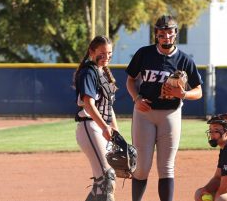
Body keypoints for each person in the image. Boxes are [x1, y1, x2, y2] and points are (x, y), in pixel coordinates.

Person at [126, 15, 203, 201]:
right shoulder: (144, 53)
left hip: (170, 114)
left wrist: (183, 94)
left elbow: (199, 91)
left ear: (175, 34)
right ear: (156, 35)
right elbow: (130, 80)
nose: (166, 36)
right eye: (162, 33)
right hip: (144, 113)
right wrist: (136, 98)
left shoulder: (184, 60)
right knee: (142, 166)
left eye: (169, 32)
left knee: (166, 166)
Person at [73, 35, 118, 201]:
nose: (106, 57)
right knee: (106, 178)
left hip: (100, 128)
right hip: (89, 127)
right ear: (91, 52)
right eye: (102, 53)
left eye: (109, 53)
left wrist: (115, 131)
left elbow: (108, 107)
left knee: (103, 181)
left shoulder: (103, 73)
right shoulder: (88, 72)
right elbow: (88, 104)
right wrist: (105, 127)